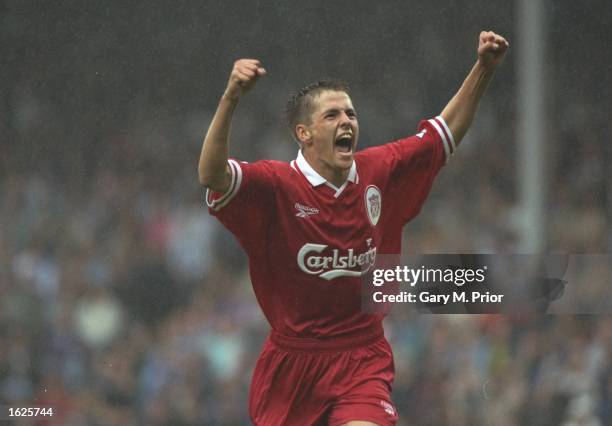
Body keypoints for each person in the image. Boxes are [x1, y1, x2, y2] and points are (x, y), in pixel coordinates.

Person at [199, 30, 509, 426]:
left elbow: (443, 134)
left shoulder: (379, 169)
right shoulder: (275, 185)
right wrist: (231, 98)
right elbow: (211, 174)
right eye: (332, 115)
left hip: (362, 357)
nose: (346, 120)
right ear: (304, 133)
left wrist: (483, 68)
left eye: (350, 114)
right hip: (293, 366)